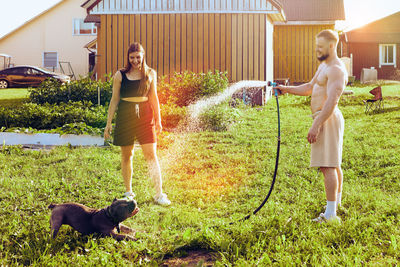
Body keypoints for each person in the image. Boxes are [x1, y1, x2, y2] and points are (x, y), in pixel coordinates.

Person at [275, 29, 347, 222]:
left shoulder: (336, 70)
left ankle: (331, 215)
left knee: (328, 166)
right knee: (333, 163)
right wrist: (286, 89)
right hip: (324, 118)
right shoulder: (324, 66)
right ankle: (335, 204)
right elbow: (309, 87)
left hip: (327, 118)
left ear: (332, 46)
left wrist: (316, 124)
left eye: (320, 47)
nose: (317, 50)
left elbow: (331, 101)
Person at [104, 42, 171, 206]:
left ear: (143, 56)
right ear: (128, 57)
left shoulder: (150, 73)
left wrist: (158, 119)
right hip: (125, 115)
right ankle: (128, 193)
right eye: (132, 57)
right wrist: (108, 123)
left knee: (151, 155)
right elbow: (114, 100)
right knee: (127, 155)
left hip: (145, 115)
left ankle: (159, 193)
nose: (135, 60)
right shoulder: (120, 75)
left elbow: (154, 98)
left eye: (138, 57)